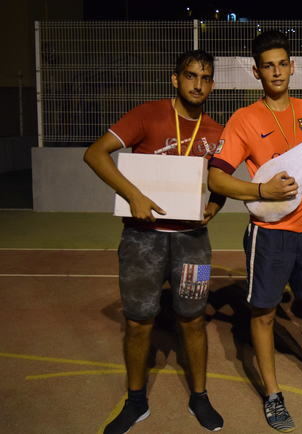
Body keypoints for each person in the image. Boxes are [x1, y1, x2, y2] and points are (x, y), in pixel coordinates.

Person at [208, 30, 302, 432]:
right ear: (256, 72)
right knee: (264, 314)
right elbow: (216, 180)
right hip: (269, 234)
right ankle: (273, 395)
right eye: (267, 66)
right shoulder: (244, 119)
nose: (276, 72)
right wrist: (260, 190)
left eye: (282, 64)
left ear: (293, 66)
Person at [84, 50, 225, 433]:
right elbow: (95, 154)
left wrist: (214, 204)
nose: (198, 83)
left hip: (193, 240)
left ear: (212, 84)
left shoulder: (214, 130)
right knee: (139, 322)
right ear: (175, 79)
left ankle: (199, 396)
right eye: (191, 75)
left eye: (206, 77)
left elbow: (218, 181)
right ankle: (136, 400)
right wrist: (134, 196)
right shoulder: (147, 114)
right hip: (142, 240)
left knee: (193, 319)